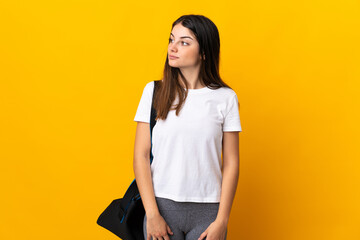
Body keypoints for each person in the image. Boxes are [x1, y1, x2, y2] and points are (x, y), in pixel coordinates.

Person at [133, 14, 242, 240]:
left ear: (204, 52)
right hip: (162, 206)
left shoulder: (225, 98)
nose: (173, 48)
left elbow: (231, 162)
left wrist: (222, 220)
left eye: (184, 42)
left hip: (209, 211)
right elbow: (140, 156)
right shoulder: (154, 92)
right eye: (172, 40)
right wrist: (152, 214)